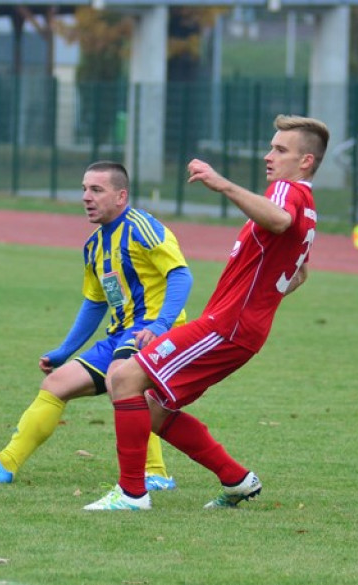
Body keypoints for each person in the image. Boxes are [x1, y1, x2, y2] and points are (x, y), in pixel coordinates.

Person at [83, 115, 328, 511]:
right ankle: (237, 480)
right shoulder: (310, 208)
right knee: (154, 410)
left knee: (124, 378)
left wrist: (221, 183)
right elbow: (298, 272)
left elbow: (280, 221)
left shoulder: (287, 192)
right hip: (240, 328)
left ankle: (131, 495)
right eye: (271, 146)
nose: (269, 156)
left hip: (228, 326)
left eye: (280, 150)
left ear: (305, 162)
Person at [0, 161, 193, 490]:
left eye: (97, 190)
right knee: (56, 384)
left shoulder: (142, 227)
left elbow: (181, 274)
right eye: (84, 189)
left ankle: (153, 473)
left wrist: (161, 323)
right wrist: (64, 350)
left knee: (122, 385)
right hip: (119, 336)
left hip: (151, 332)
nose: (86, 197)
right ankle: (4, 464)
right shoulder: (95, 245)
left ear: (121, 195)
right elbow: (96, 302)